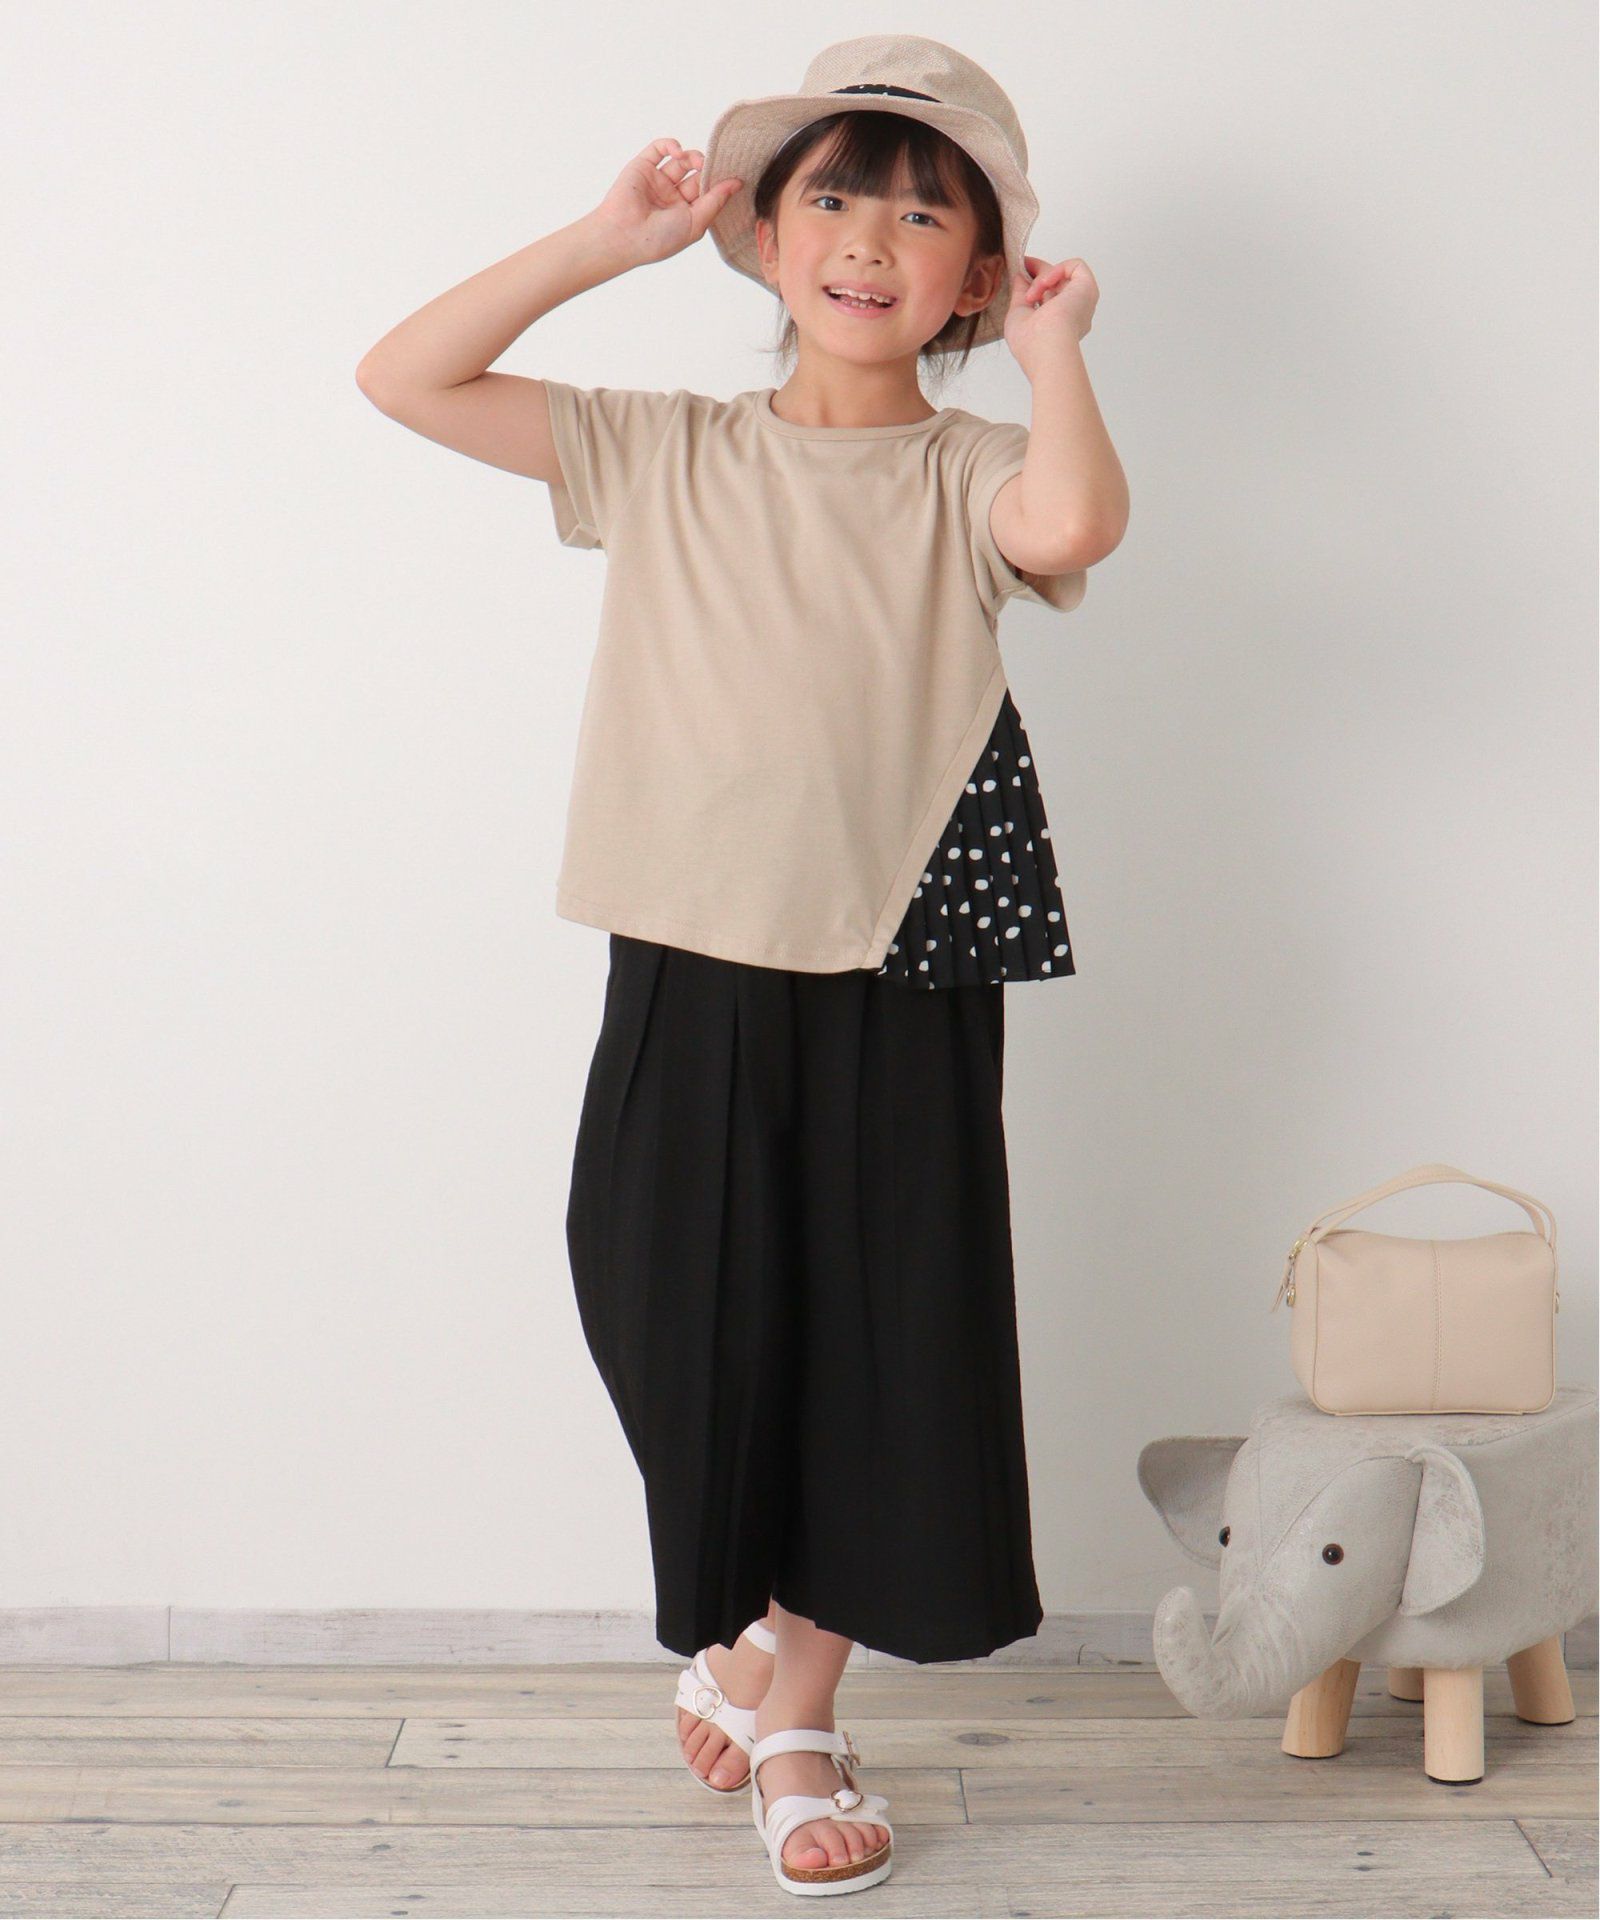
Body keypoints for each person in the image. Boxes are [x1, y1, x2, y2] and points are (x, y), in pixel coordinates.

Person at [356, 32, 1128, 1899]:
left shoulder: (974, 465)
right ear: (768, 239)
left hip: (898, 958)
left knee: (873, 1344)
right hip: (688, 948)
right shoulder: (664, 448)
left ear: (975, 274)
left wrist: (1056, 357)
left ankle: (798, 1711)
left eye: (924, 216)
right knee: (660, 1297)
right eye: (835, 198)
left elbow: (1073, 525)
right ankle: (744, 1640)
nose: (870, 239)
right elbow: (404, 375)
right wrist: (600, 243)